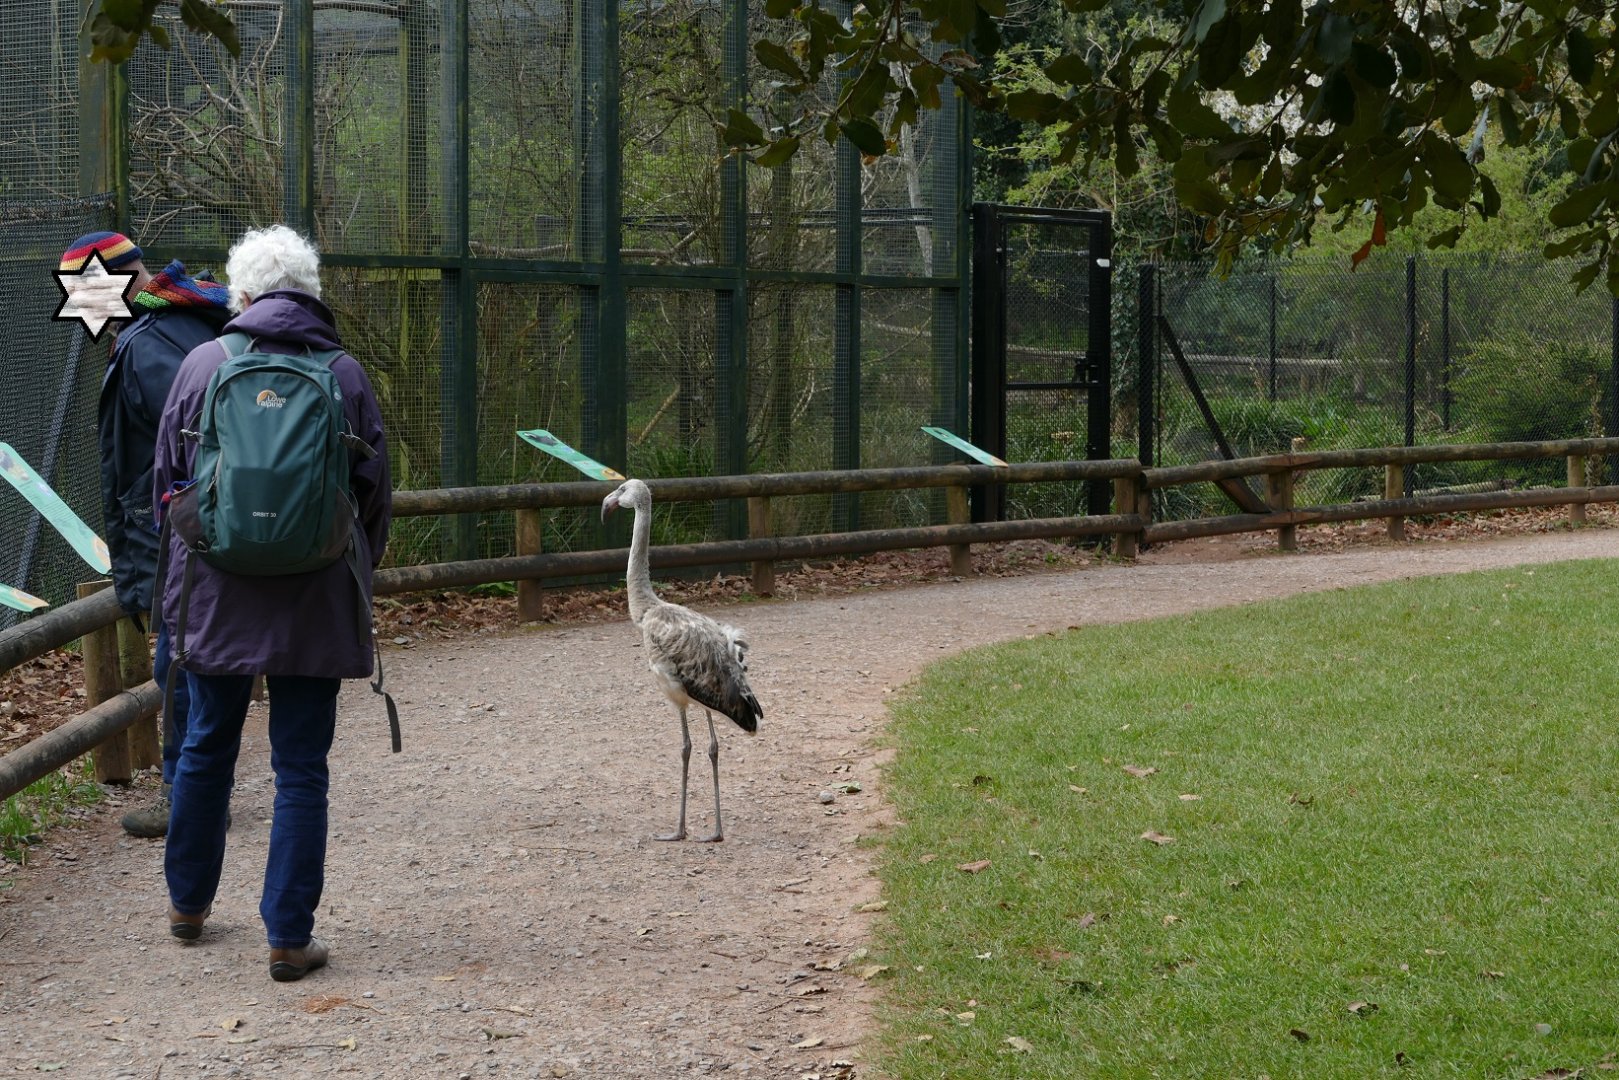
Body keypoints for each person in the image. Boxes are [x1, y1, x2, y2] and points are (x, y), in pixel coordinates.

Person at [152, 224, 391, 982]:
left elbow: (167, 482)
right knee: (300, 768)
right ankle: (288, 937)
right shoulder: (345, 373)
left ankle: (187, 906)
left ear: (242, 294)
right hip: (312, 598)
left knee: (204, 747)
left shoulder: (201, 364)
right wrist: (346, 568)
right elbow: (373, 495)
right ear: (310, 295)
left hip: (215, 594)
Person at [58, 231, 231, 839]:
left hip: (186, 529)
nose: (86, 309)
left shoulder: (150, 344)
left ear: (114, 282)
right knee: (195, 658)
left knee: (178, 659)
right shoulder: (193, 319)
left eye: (87, 292)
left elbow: (188, 439)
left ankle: (187, 793)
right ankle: (199, 787)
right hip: (214, 524)